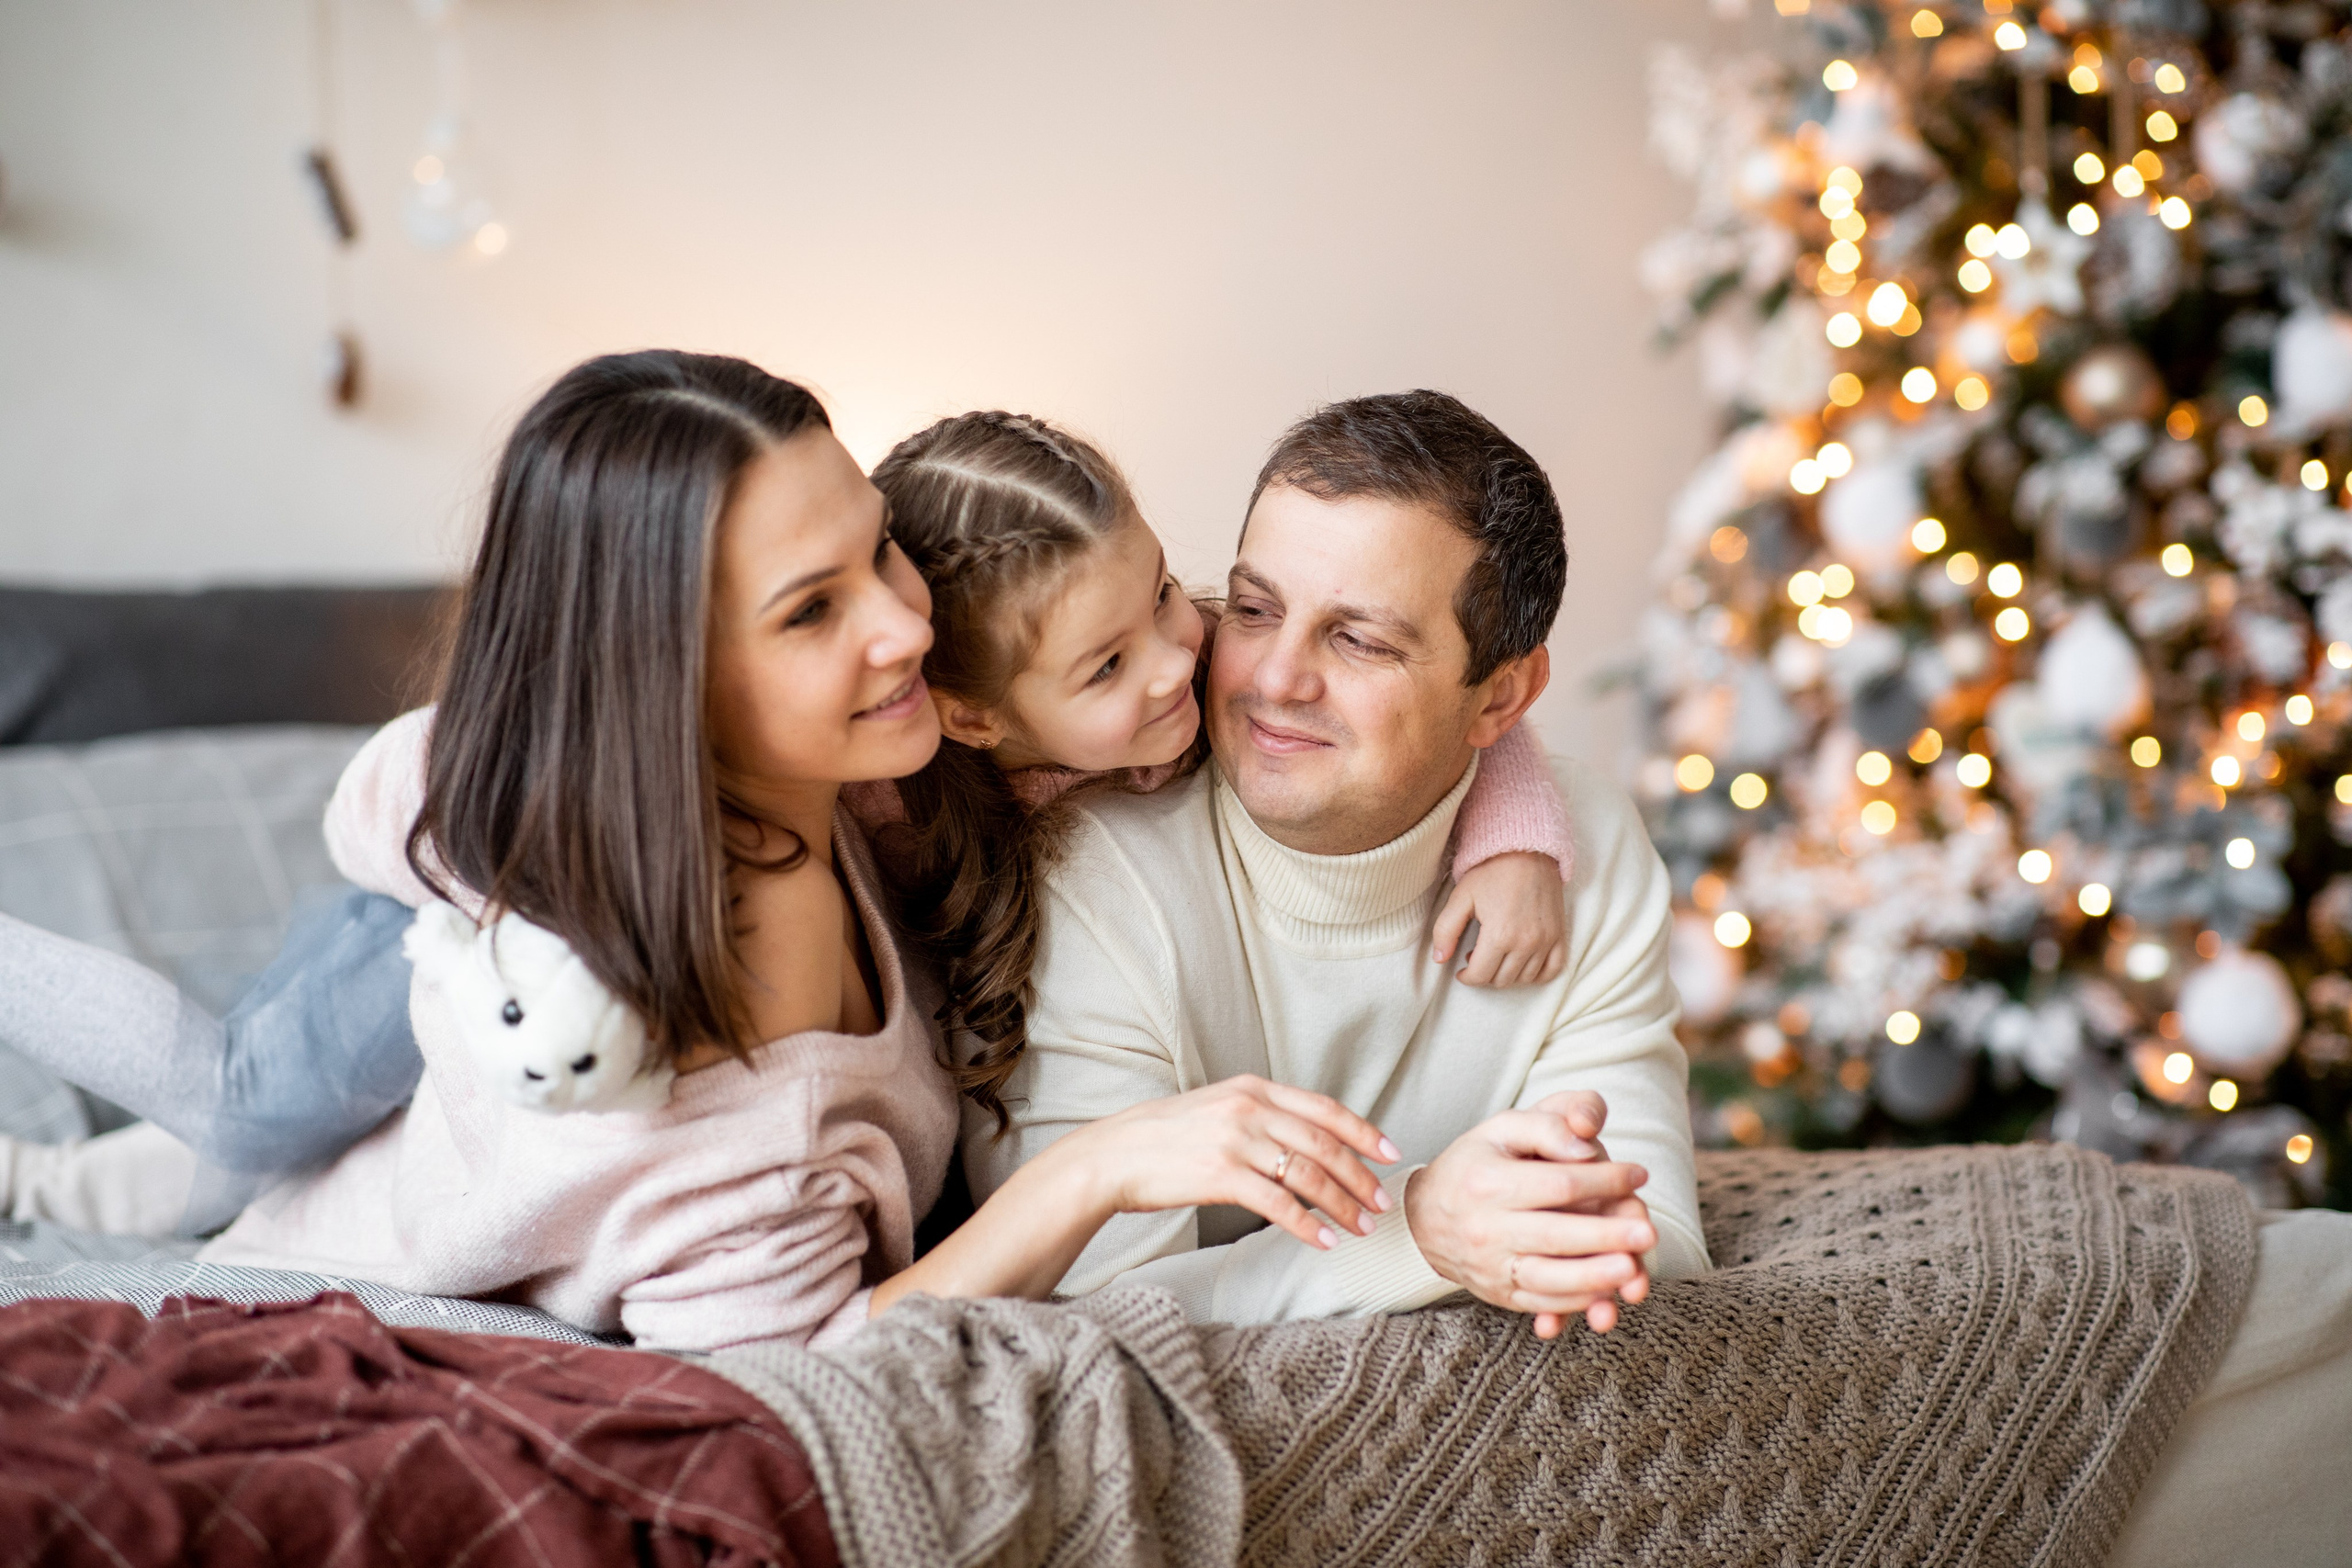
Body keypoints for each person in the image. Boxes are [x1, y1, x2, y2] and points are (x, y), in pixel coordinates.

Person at [0, 351, 1408, 1351]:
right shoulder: (698, 1055)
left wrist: (1510, 816)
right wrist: (1104, 1164)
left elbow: (1345, 682)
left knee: (212, 1161)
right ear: (662, 675)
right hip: (337, 1253)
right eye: (811, 611)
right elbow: (804, 1359)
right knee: (240, 1103)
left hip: (391, 1151)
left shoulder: (869, 775)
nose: (907, 626)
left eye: (881, 552)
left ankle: (117, 1182)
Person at [966, 389, 1712, 1337]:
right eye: (1251, 609)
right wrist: (1419, 1233)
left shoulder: (1581, 849)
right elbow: (1079, 1308)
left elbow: (1648, 1238)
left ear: (1502, 696)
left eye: (1357, 640)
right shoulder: (1088, 871)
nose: (1275, 681)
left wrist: (1533, 1233)